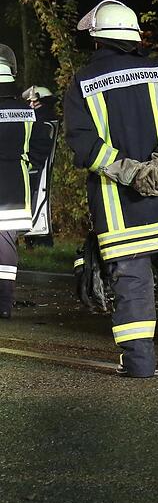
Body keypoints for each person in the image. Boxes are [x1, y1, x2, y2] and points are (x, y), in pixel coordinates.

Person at [64, 0, 158, 376]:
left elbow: (83, 143)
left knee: (131, 284)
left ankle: (139, 365)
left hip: (120, 213)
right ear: (134, 36)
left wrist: (130, 172)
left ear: (97, 40)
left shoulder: (82, 83)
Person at [0, 44, 51, 318]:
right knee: (6, 247)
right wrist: (27, 163)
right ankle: (4, 305)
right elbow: (41, 146)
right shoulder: (27, 112)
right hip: (14, 191)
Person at [22, 85, 59, 248]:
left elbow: (35, 150)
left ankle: (35, 241)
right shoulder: (49, 121)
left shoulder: (40, 123)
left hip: (34, 169)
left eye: (32, 102)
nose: (29, 106)